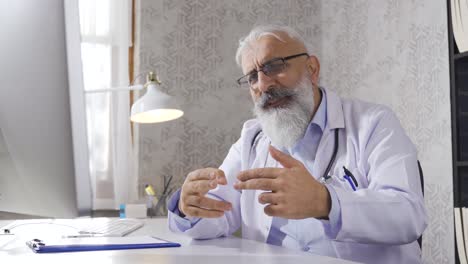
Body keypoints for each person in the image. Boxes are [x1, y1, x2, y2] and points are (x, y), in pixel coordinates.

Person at [167, 25, 427, 264]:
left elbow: (408, 215)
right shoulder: (252, 137)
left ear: (312, 69)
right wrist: (187, 205)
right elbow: (218, 213)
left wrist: (324, 201)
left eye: (274, 66)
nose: (264, 84)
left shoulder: (373, 123)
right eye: (252, 77)